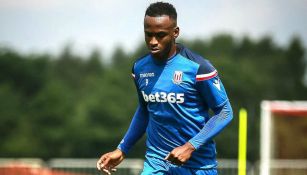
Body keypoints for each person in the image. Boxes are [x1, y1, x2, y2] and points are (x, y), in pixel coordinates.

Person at [97, 2, 233, 175]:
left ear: (175, 33)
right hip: (156, 164)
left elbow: (225, 112)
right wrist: (122, 149)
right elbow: (145, 110)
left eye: (160, 35)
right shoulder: (139, 68)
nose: (153, 42)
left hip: (198, 167)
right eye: (149, 35)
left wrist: (190, 147)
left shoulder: (199, 68)